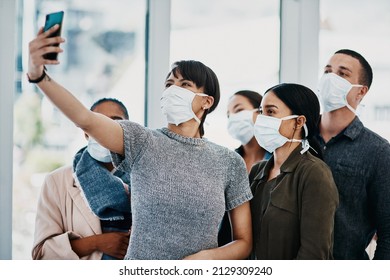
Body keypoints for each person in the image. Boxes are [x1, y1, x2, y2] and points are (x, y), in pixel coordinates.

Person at [27, 25, 253, 260]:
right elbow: (85, 118)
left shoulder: (229, 162)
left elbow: (244, 241)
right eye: (169, 84)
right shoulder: (142, 141)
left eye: (185, 84)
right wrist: (38, 76)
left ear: (207, 102)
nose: (173, 90)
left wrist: (205, 259)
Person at [32, 97, 131, 260]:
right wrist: (97, 243)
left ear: (128, 131)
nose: (106, 129)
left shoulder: (145, 177)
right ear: (86, 132)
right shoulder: (57, 182)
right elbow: (42, 254)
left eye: (115, 122)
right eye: (98, 122)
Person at [249, 83, 339, 260]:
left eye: (271, 112)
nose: (261, 119)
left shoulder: (314, 173)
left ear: (299, 121)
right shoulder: (257, 171)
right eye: (261, 112)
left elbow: (314, 254)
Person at [316, 49, 390, 259]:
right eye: (327, 71)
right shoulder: (298, 136)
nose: (331, 78)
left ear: (361, 91)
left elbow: (387, 231)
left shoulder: (378, 151)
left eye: (342, 74)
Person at [218, 90, 271, 246]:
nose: (233, 118)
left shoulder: (278, 160)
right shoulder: (228, 161)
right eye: (229, 115)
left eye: (239, 110)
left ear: (260, 112)